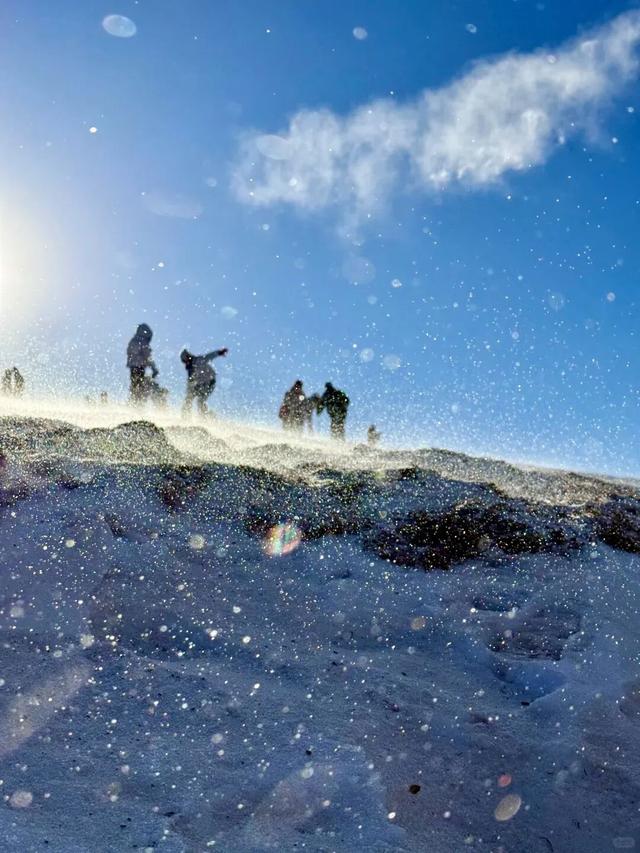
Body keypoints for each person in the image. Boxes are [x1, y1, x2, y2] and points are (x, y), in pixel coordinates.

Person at [180, 347, 228, 416]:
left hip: (210, 383)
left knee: (200, 401)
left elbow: (209, 356)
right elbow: (190, 383)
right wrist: (189, 393)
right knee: (189, 397)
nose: (185, 363)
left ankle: (206, 416)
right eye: (184, 362)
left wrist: (219, 352)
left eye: (185, 361)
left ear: (188, 357)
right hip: (200, 384)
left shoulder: (199, 360)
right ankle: (185, 415)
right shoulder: (190, 370)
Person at [127, 324, 158, 404]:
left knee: (135, 385)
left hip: (133, 367)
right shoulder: (143, 342)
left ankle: (133, 402)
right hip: (139, 367)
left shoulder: (133, 341)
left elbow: (130, 353)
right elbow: (147, 356)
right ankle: (138, 403)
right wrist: (153, 368)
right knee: (140, 386)